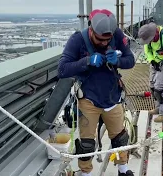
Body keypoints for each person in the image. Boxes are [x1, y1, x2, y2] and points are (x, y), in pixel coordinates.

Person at [57, 9, 135, 176]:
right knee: (86, 143)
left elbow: (131, 60)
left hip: (112, 97)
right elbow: (62, 69)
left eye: (107, 40)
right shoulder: (78, 40)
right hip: (88, 99)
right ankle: (86, 173)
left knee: (120, 137)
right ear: (91, 29)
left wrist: (119, 60)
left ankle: (123, 168)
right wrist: (86, 62)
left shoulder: (117, 36)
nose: (104, 44)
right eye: (100, 40)